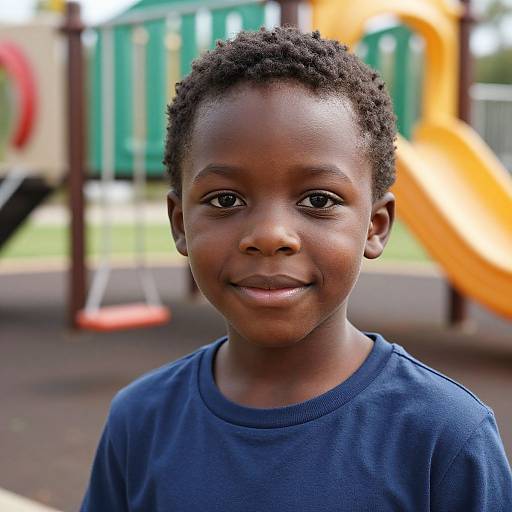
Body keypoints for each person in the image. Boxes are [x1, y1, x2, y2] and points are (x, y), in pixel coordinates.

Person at [80, 27, 512, 511]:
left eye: (318, 200)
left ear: (375, 226)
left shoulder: (444, 437)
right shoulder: (139, 421)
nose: (270, 235)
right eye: (226, 199)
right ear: (180, 224)